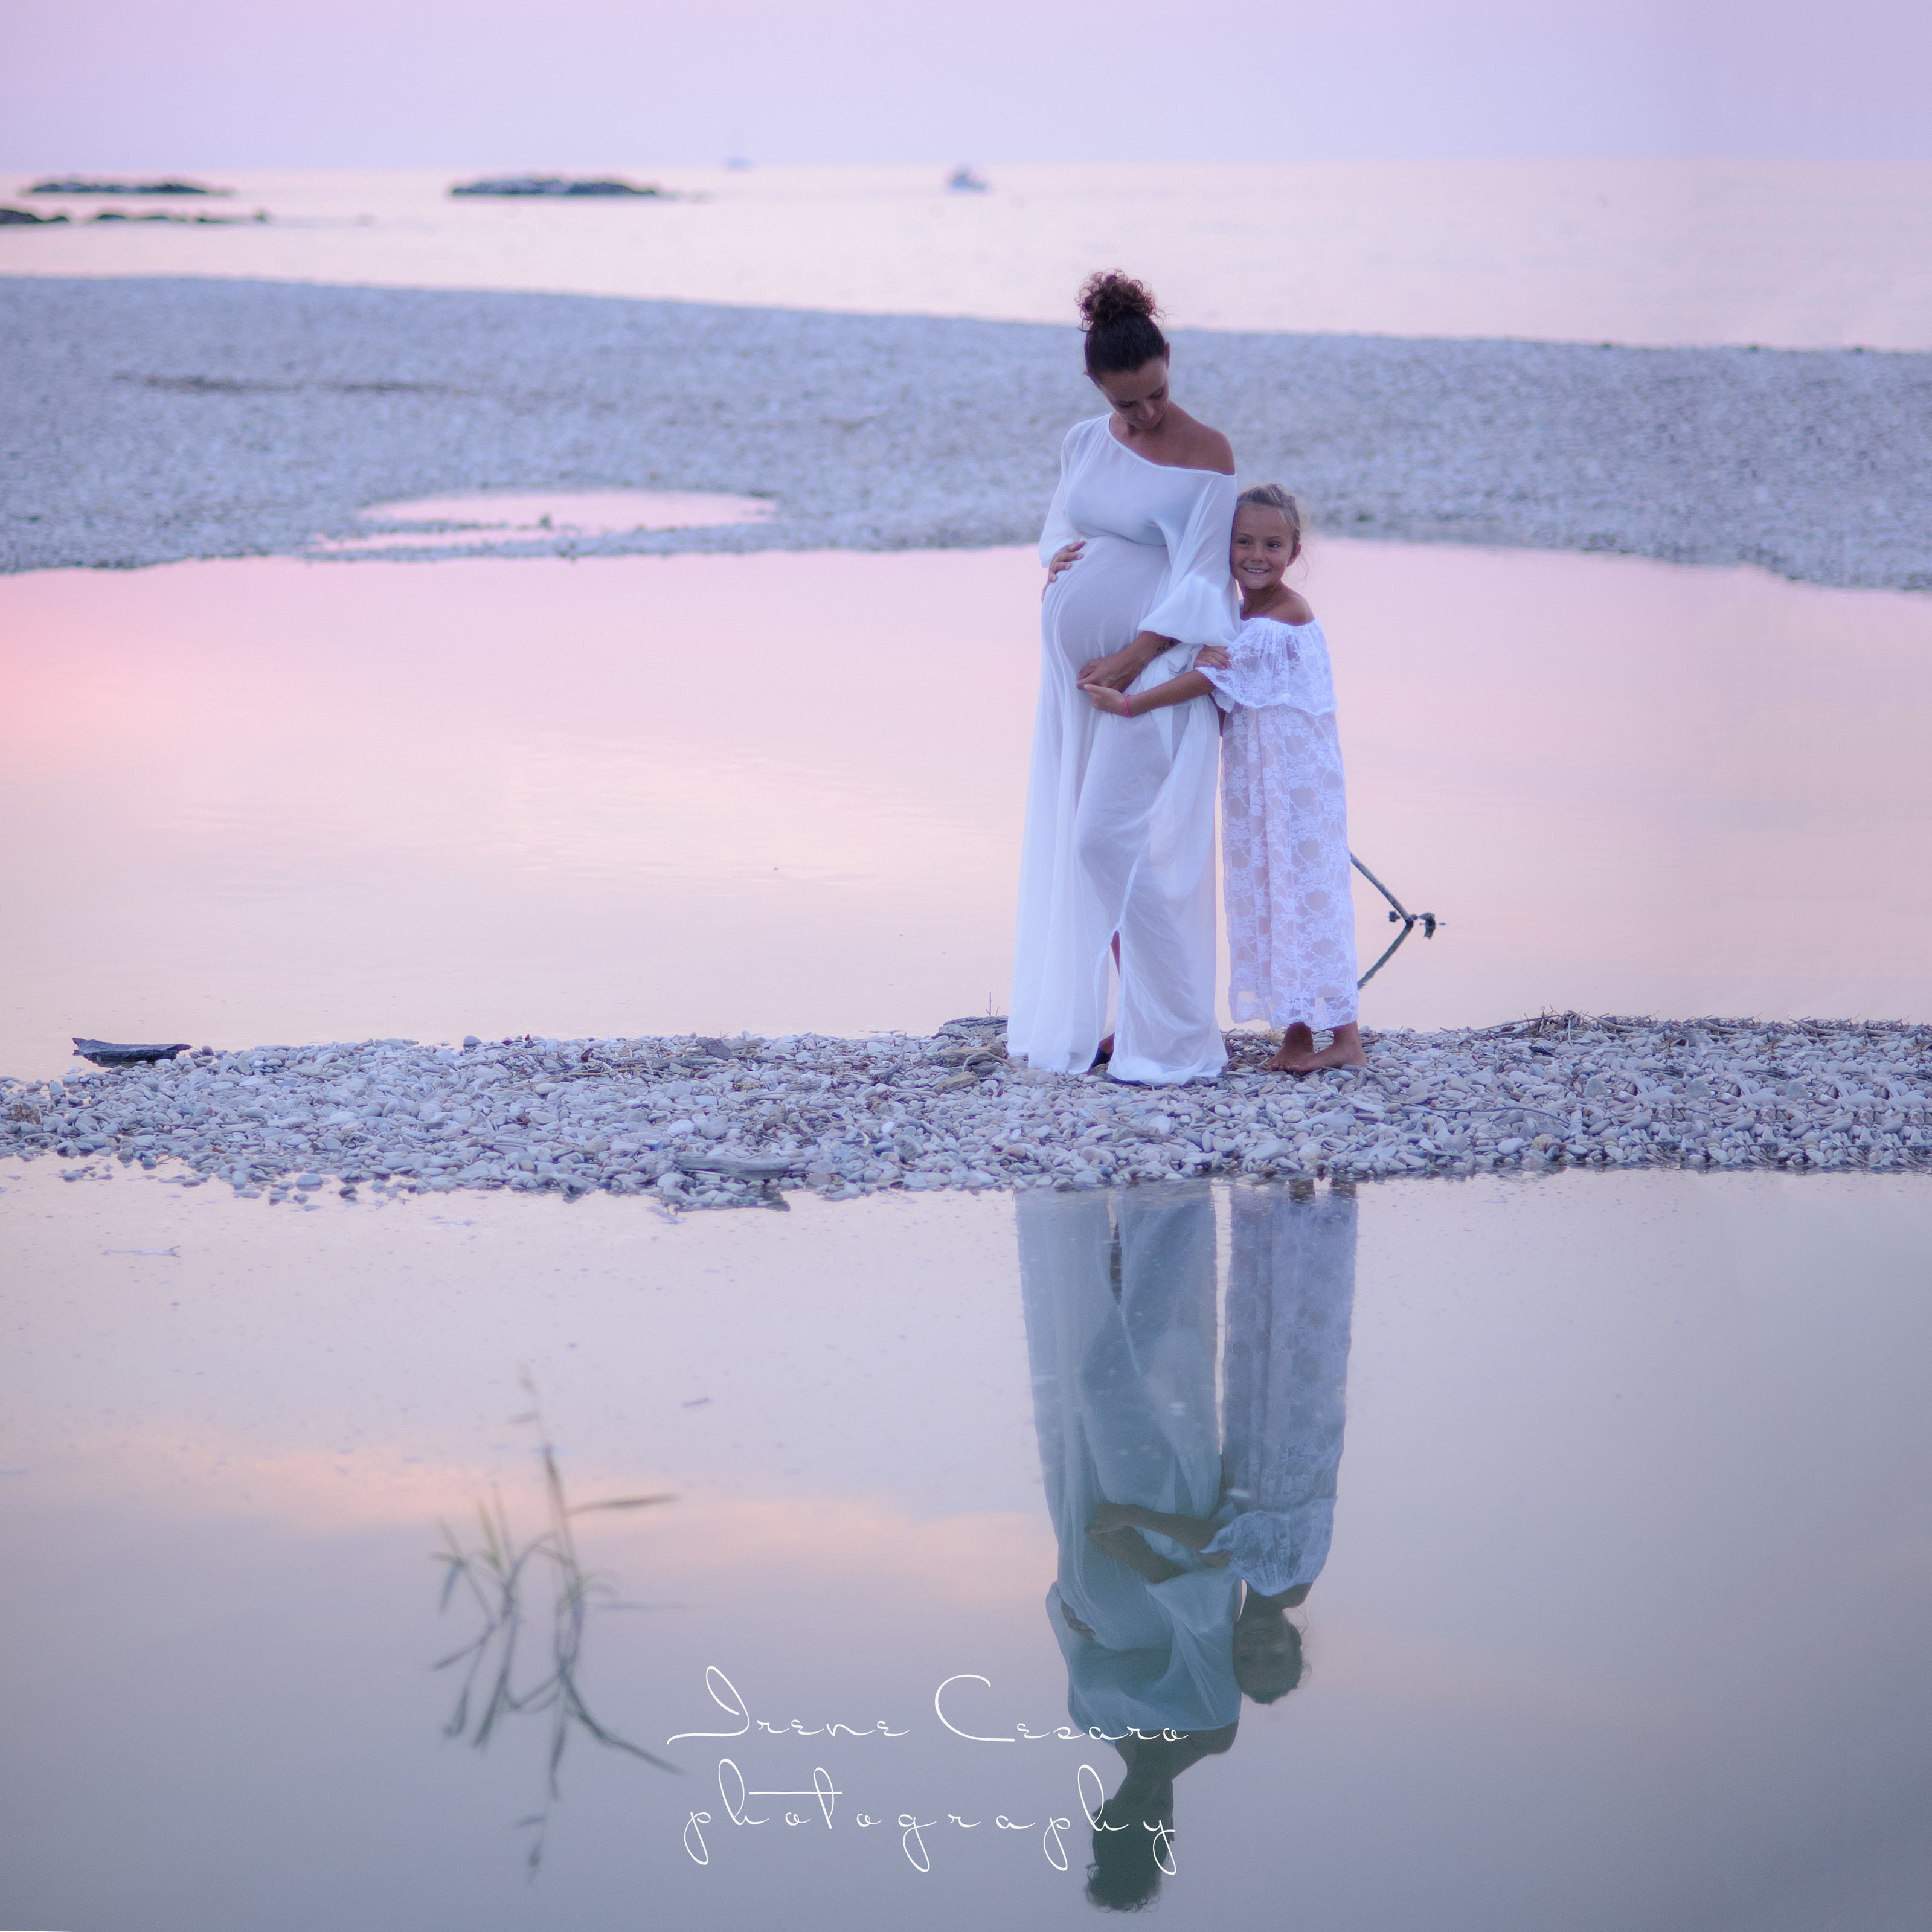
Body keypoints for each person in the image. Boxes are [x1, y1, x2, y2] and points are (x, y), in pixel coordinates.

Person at [1009, 272, 1239, 1087]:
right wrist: (1056, 565)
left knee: (1106, 839)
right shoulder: (1082, 440)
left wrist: (1135, 654)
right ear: (1095, 385)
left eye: (1156, 394)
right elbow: (1061, 523)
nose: (1144, 414)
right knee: (1095, 847)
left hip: (1154, 671)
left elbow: (1205, 578)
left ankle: (1178, 1031)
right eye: (1126, 402)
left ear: (1168, 360)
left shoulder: (1207, 452)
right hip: (1077, 682)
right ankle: (1133, 1019)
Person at [1080, 486, 1364, 1074]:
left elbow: (1212, 678)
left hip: (1296, 779)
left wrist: (1131, 704)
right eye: (1243, 542)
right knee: (1266, 890)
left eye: (1272, 545)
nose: (1256, 556)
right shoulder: (1237, 613)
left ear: (1294, 551)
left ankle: (1345, 1038)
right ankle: (1295, 1031)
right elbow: (1203, 650)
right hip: (1256, 778)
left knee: (1307, 891)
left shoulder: (1285, 614)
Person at [1018, 1185, 1240, 1910]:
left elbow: (1066, 1623)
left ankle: (1086, 1214)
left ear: (1105, 1812)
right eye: (1152, 1814)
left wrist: (1073, 1600)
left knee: (1072, 1377)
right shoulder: (1209, 1725)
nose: (1141, 1800)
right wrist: (1133, 1545)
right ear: (1167, 1822)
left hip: (1081, 1519)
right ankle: (1167, 1207)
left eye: (1125, 1811)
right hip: (1157, 1524)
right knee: (1116, 1380)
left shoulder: (1094, 1720)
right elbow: (1208, 1619)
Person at [1082, 1183, 1358, 1707]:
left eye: (1247, 1660)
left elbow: (1220, 1548)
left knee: (1263, 1328)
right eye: (1274, 1655)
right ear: (1293, 1640)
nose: (1258, 1649)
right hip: (1288, 1444)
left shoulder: (1242, 1586)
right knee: (1297, 1333)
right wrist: (1133, 1516)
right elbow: (1220, 1542)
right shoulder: (1284, 1587)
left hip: (1261, 1446)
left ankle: (1292, 1204)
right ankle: (1322, 1204)